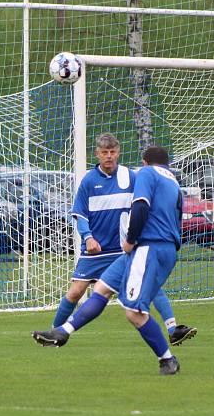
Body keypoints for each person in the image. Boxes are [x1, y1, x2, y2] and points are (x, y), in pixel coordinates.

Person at [33, 146, 186, 376]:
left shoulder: (146, 173)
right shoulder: (173, 182)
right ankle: (63, 331)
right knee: (102, 288)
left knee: (134, 313)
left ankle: (167, 359)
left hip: (148, 247)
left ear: (145, 162)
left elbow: (141, 205)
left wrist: (131, 239)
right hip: (162, 247)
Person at [52, 133, 195, 346]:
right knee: (75, 292)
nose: (109, 156)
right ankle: (55, 331)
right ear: (97, 154)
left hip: (123, 248)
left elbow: (145, 203)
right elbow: (79, 214)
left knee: (151, 286)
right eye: (104, 153)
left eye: (112, 152)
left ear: (118, 152)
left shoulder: (133, 176)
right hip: (96, 249)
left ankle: (173, 329)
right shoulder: (89, 181)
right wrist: (88, 237)